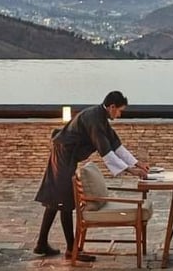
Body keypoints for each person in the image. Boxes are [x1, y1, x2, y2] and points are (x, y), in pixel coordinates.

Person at [33, 90, 149, 261]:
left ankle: (41, 244)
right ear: (111, 107)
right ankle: (72, 250)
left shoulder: (101, 118)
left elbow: (117, 146)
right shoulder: (94, 119)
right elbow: (106, 152)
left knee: (56, 199)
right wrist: (131, 171)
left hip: (66, 153)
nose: (120, 114)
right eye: (119, 110)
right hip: (63, 152)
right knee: (64, 200)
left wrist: (137, 163)